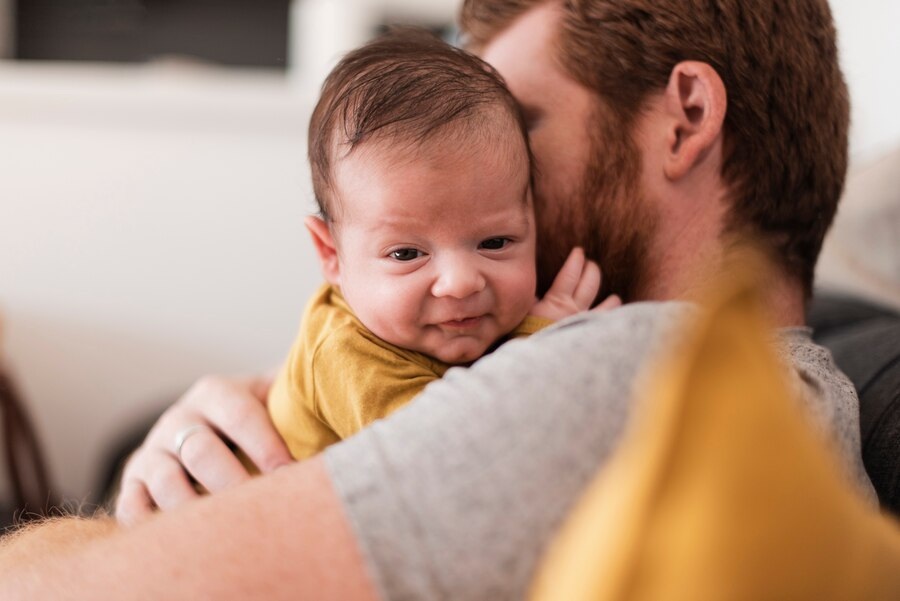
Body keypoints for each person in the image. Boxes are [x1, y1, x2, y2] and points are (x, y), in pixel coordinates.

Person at [0, 1, 876, 599]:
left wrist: (109, 531)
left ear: (684, 116)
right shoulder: (797, 388)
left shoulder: (624, 373)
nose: (480, 172)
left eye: (519, 123)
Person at [269, 30, 610, 459]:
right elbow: (449, 455)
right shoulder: (345, 355)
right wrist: (538, 347)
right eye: (407, 254)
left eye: (495, 242)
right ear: (331, 256)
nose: (460, 283)